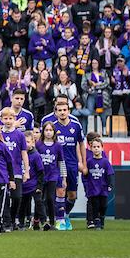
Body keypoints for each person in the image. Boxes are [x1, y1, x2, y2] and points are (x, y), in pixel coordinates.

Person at [50, 96, 87, 231]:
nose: (62, 112)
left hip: (72, 164)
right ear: (56, 112)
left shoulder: (76, 125)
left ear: (69, 110)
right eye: (59, 110)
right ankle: (59, 220)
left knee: (72, 195)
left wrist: (83, 163)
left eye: (65, 110)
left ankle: (64, 215)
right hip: (58, 164)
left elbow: (81, 144)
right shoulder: (52, 127)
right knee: (60, 191)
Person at [0, 107, 29, 231]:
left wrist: (26, 170)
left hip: (16, 170)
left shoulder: (20, 135)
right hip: (2, 171)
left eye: (10, 118)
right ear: (1, 119)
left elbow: (24, 153)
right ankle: (6, 223)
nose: (8, 121)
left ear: (14, 119)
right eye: (5, 118)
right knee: (4, 198)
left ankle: (12, 218)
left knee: (16, 197)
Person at [35, 121, 65, 230]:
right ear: (43, 131)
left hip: (53, 175)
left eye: (50, 130)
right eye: (46, 130)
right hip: (40, 176)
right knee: (39, 199)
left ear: (54, 132)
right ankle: (37, 221)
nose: (48, 132)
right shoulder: (38, 144)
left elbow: (61, 162)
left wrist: (64, 178)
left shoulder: (57, 146)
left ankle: (52, 222)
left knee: (50, 199)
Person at [83, 133, 114, 230]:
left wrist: (110, 184)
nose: (96, 148)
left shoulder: (105, 161)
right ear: (91, 148)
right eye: (94, 147)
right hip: (93, 188)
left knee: (103, 205)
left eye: (98, 147)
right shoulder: (89, 161)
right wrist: (87, 184)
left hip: (103, 188)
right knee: (94, 205)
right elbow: (85, 174)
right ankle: (96, 222)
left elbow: (109, 173)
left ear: (102, 148)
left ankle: (102, 219)